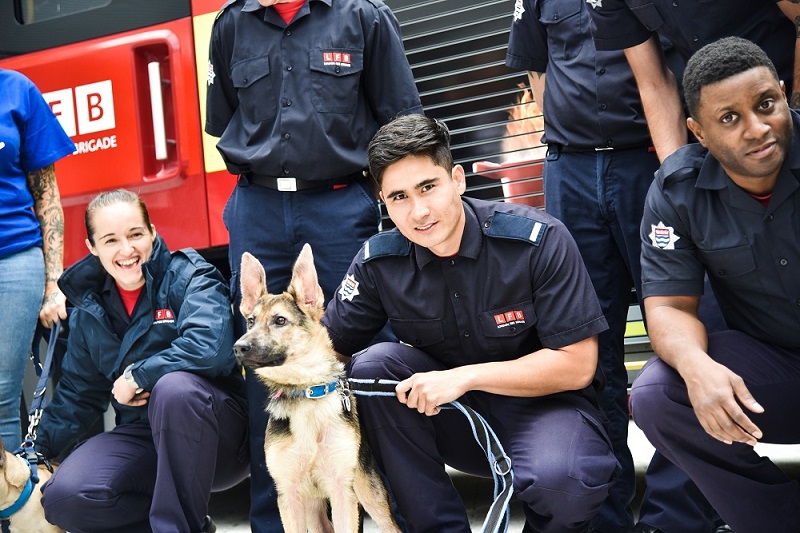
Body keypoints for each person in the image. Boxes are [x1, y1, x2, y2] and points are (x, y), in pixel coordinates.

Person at [320, 114, 620, 532]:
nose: (419, 211)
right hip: (453, 421)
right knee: (372, 368)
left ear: (457, 179)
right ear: (383, 202)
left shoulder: (538, 241)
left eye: (428, 187)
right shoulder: (378, 263)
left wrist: (464, 377)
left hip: (546, 412)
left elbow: (577, 364)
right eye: (399, 197)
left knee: (564, 482)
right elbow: (325, 353)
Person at [506, 4, 730, 532]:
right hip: (571, 169)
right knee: (586, 345)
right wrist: (568, 142)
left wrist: (677, 174)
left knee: (681, 327)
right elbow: (538, 70)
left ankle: (676, 516)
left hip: (649, 159)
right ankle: (603, 514)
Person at [204, 1, 422, 528]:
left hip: (339, 204)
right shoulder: (230, 25)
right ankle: (277, 521)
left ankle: (393, 514)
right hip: (256, 205)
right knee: (264, 356)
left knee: (362, 355)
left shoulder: (363, 17)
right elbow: (224, 120)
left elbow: (401, 122)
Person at [630, 37, 800, 532]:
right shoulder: (677, 192)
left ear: (784, 94)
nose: (757, 128)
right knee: (659, 394)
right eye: (729, 118)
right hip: (780, 372)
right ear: (698, 133)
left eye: (766, 104)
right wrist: (696, 366)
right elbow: (669, 307)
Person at [35, 189, 249, 532]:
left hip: (219, 438)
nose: (126, 250)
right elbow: (78, 394)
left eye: (135, 234)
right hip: (145, 435)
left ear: (152, 231)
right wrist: (36, 452)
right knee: (66, 497)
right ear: (92, 247)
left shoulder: (190, 277)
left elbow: (211, 348)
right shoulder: (90, 307)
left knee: (174, 389)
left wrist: (138, 376)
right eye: (110, 240)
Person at [587, 0, 799, 162]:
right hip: (721, 128)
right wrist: (674, 172)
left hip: (782, 98)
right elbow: (654, 82)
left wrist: (796, 122)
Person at [0, 68, 74, 449]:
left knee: (1, 398)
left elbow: (47, 196)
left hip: (13, 262)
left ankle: (8, 488)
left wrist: (53, 283)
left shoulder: (16, 90)